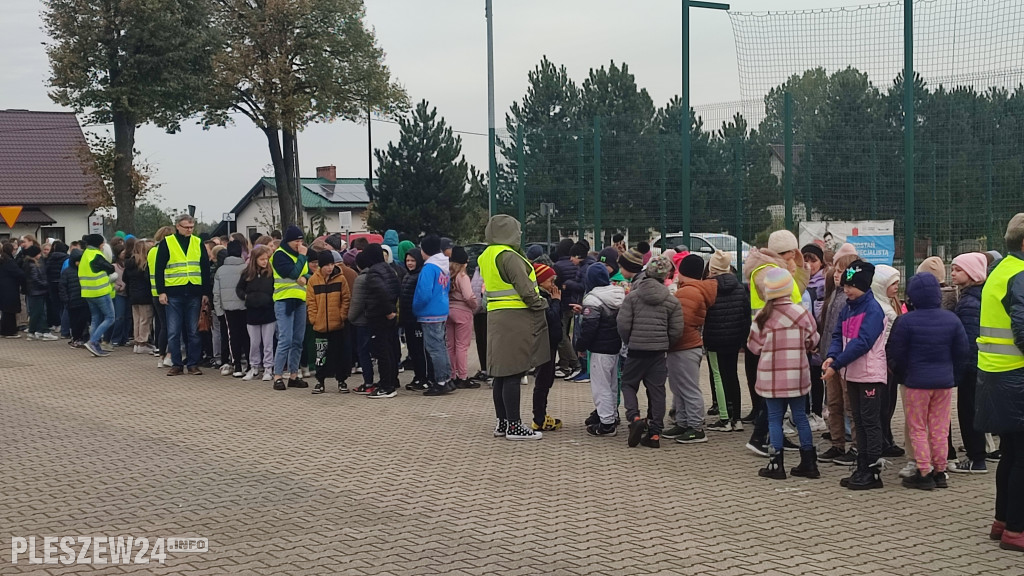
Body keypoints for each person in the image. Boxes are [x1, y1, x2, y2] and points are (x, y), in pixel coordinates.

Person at [887, 272, 969, 490]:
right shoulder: (952, 320)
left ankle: (924, 471)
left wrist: (902, 373)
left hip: (916, 382)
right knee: (940, 428)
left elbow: (896, 352)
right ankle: (940, 470)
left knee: (917, 427)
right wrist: (953, 375)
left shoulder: (905, 321)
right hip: (943, 383)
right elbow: (962, 352)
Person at [976, 214, 1024, 552]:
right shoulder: (1020, 275)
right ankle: (1017, 531)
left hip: (995, 374)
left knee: (1011, 453)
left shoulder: (1000, 271)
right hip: (1016, 378)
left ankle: (1002, 521)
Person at [479, 215, 550, 440]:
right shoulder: (509, 256)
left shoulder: (487, 255)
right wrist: (542, 303)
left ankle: (502, 423)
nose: (519, 234)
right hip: (516, 317)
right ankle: (515, 426)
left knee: (500, 373)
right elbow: (526, 289)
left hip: (496, 316)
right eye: (517, 230)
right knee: (513, 372)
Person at [747, 267, 820, 480]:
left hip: (771, 377)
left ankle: (776, 464)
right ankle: (808, 462)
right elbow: (813, 340)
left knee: (774, 419)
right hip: (797, 375)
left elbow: (753, 347)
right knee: (800, 417)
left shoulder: (762, 316)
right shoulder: (801, 313)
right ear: (790, 288)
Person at [823, 260, 888, 490]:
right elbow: (837, 335)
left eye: (851, 286)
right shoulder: (847, 307)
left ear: (864, 285)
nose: (847, 290)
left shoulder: (873, 310)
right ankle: (862, 464)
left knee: (869, 422)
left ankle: (872, 469)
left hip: (869, 375)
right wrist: (832, 356)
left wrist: (837, 363)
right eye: (845, 285)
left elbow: (862, 343)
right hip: (852, 374)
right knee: (858, 420)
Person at [618, 256, 684, 449]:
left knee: (629, 384)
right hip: (658, 352)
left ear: (647, 272)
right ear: (666, 276)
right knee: (657, 391)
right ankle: (655, 433)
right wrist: (665, 343)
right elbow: (676, 330)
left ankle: (635, 417)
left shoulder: (633, 297)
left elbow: (622, 324)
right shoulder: (671, 301)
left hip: (636, 350)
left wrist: (629, 341)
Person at [664, 254, 717, 444]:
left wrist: (667, 338)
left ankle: (695, 427)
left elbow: (680, 322)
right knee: (679, 387)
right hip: (684, 345)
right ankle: (683, 422)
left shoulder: (688, 292)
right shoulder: (691, 290)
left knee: (687, 387)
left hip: (684, 345)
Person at [816, 247, 860, 466]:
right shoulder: (834, 292)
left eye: (842, 271)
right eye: (835, 269)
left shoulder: (851, 299)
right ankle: (837, 443)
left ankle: (855, 446)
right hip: (830, 358)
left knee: (849, 404)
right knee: (833, 403)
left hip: (845, 362)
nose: (836, 274)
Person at [155, 215, 211, 375]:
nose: (189, 230)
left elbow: (204, 268)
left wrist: (205, 292)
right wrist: (161, 292)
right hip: (173, 293)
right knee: (173, 331)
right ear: (177, 226)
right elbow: (159, 269)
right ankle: (177, 364)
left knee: (193, 331)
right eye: (186, 227)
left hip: (194, 292)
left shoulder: (197, 242)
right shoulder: (167, 243)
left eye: (192, 227)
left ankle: (193, 364)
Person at [949, 252, 989, 474]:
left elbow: (968, 341)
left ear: (972, 273)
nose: (953, 273)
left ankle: (976, 458)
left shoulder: (970, 303)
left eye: (958, 270)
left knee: (968, 410)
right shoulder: (976, 297)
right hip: (979, 365)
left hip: (971, 367)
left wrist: (961, 369)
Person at [703, 250, 750, 432]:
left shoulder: (708, 286)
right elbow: (746, 315)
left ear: (712, 268)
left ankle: (724, 418)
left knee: (718, 376)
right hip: (734, 339)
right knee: (732, 376)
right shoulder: (740, 287)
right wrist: (742, 338)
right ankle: (736, 418)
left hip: (714, 339)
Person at [578, 262, 625, 437]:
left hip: (599, 349)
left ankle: (606, 424)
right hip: (615, 347)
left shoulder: (592, 299)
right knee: (612, 385)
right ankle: (610, 415)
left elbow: (589, 328)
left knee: (601, 387)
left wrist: (581, 346)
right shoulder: (618, 294)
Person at [871, 264, 908, 461]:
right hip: (884, 362)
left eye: (897, 283)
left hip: (888, 362)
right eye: (892, 283)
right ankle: (884, 440)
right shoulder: (882, 308)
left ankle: (886, 437)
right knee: (884, 403)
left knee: (888, 403)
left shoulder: (887, 303)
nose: (896, 287)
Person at [269, 226, 310, 390]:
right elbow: (292, 273)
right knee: (285, 339)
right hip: (284, 300)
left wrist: (305, 277)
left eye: (301, 241)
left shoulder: (300, 256)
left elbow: (308, 273)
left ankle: (294, 374)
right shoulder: (280, 255)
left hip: (300, 300)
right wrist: (302, 256)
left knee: (298, 340)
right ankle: (277, 376)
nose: (299, 244)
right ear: (288, 241)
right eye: (296, 241)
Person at [307, 250, 351, 394]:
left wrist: (342, 315)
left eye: (332, 264)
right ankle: (320, 381)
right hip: (320, 326)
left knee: (339, 354)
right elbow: (311, 302)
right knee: (320, 356)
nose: (330, 267)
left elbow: (346, 299)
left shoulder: (340, 279)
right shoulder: (313, 280)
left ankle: (342, 380)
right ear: (321, 266)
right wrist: (314, 319)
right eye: (326, 265)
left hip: (337, 325)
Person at [414, 235, 452, 396]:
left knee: (434, 348)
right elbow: (447, 287)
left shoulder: (429, 268)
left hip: (429, 312)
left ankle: (440, 381)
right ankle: (447, 379)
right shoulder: (444, 265)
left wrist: (415, 308)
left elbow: (423, 293)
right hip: (442, 308)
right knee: (441, 347)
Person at [362, 244, 401, 398]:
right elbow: (397, 287)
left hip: (379, 316)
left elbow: (380, 291)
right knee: (390, 349)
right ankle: (390, 380)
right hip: (389, 315)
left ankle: (386, 386)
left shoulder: (373, 272)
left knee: (382, 351)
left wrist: (388, 310)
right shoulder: (388, 269)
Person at [530, 263, 564, 432]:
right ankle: (539, 418)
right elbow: (551, 317)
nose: (553, 285)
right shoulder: (540, 298)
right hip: (545, 343)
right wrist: (557, 302)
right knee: (543, 381)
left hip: (552, 343)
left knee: (547, 380)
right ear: (540, 281)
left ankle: (541, 414)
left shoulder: (547, 295)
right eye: (550, 281)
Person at [237, 245, 276, 381]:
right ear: (255, 259)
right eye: (262, 259)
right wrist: (246, 297)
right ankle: (254, 367)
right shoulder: (247, 273)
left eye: (266, 259)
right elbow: (239, 289)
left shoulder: (271, 273)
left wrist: (270, 299)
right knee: (254, 342)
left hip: (268, 312)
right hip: (252, 312)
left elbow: (274, 288)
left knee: (268, 343)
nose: (265, 262)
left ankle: (268, 368)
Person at [801, 244, 827, 431]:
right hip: (802, 340)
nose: (809, 264)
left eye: (813, 260)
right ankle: (804, 412)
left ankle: (817, 412)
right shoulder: (798, 282)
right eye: (805, 259)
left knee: (817, 376)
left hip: (818, 339)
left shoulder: (824, 284)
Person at [213, 240, 248, 377]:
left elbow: (216, 293)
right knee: (246, 335)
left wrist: (218, 310)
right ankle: (250, 364)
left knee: (232, 336)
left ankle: (237, 365)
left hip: (227, 309)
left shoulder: (220, 270)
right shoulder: (246, 267)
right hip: (245, 306)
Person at [79, 234, 117, 357]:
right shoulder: (96, 255)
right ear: (99, 244)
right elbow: (110, 268)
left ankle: (95, 346)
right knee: (110, 317)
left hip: (88, 292)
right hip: (100, 291)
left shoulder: (85, 254)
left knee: (96, 318)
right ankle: (93, 341)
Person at [447, 246, 478, 389]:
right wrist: (474, 304)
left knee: (450, 346)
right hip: (463, 311)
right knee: (462, 346)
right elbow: (468, 295)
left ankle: (452, 374)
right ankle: (463, 376)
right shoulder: (462, 276)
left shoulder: (447, 274)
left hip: (449, 311)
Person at [552, 239, 582, 379]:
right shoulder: (576, 264)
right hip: (574, 303)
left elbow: (556, 285)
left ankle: (574, 364)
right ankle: (564, 363)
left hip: (562, 304)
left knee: (562, 336)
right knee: (566, 334)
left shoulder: (557, 266)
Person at [400, 248, 429, 391]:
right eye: (407, 260)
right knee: (412, 350)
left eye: (412, 260)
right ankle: (418, 376)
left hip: (417, 319)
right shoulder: (407, 276)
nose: (409, 263)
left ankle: (424, 377)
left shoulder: (420, 276)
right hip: (408, 320)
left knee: (419, 350)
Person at [149, 226, 175, 367]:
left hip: (155, 292)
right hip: (168, 292)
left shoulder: (152, 251)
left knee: (162, 325)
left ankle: (161, 356)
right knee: (172, 326)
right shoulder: (169, 250)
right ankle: (169, 355)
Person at [123, 240, 155, 354]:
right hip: (145, 294)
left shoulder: (129, 264)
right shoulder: (144, 264)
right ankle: (143, 342)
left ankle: (137, 341)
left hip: (132, 294)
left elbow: (124, 279)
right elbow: (148, 279)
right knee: (145, 319)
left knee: (137, 318)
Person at [59, 248, 88, 347]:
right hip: (72, 302)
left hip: (83, 300)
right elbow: (62, 287)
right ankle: (75, 338)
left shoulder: (83, 270)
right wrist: (66, 299)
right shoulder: (67, 272)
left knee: (83, 321)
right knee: (74, 322)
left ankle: (82, 337)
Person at [0, 242, 25, 338]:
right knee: (10, 310)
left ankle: (4, 330)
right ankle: (10, 331)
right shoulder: (9, 261)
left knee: (5, 311)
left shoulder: (3, 259)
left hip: (4, 288)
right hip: (10, 288)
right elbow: (18, 273)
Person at [44, 240, 68, 335]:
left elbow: (46, 270)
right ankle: (63, 324)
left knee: (55, 304)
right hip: (62, 283)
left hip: (52, 283)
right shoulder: (66, 258)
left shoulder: (50, 258)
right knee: (64, 304)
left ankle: (56, 324)